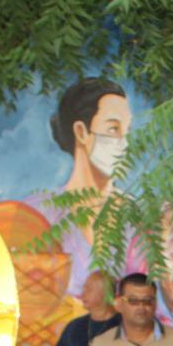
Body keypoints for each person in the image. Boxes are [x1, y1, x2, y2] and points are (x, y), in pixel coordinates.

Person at [50, 77, 131, 232]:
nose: (125, 144)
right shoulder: (42, 214)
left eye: (128, 131)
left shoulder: (140, 217)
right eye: (113, 129)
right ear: (81, 132)